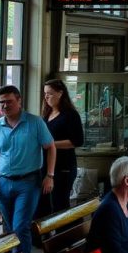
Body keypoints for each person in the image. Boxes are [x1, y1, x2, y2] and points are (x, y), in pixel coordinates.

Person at [0, 85, 56, 253]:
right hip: (2, 183)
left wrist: (50, 175)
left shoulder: (35, 122)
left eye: (9, 101)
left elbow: (50, 147)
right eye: (1, 103)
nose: (5, 106)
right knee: (9, 228)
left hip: (28, 182)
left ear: (19, 100)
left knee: (20, 226)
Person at [35, 79, 84, 218]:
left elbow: (77, 141)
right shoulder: (46, 114)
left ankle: (62, 236)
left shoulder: (70, 115)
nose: (46, 97)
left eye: (50, 93)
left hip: (64, 166)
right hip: (44, 165)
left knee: (59, 204)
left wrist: (51, 144)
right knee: (43, 205)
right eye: (45, 94)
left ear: (60, 93)